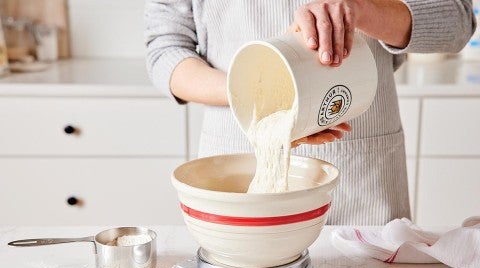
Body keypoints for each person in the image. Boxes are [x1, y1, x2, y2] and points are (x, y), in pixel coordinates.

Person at [144, 0, 476, 225]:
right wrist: (251, 93)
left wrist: (359, 9)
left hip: (361, 188)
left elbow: (457, 21)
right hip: (237, 164)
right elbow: (166, 49)